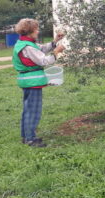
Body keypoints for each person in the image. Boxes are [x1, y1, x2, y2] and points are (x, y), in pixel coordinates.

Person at [11, 19, 65, 148]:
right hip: (32, 81)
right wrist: (56, 53)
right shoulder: (28, 47)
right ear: (30, 31)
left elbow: (42, 48)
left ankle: (26, 136)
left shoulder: (25, 43)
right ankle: (31, 139)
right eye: (36, 29)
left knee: (27, 110)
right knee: (33, 111)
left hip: (27, 81)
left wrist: (55, 41)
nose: (38, 31)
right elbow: (43, 61)